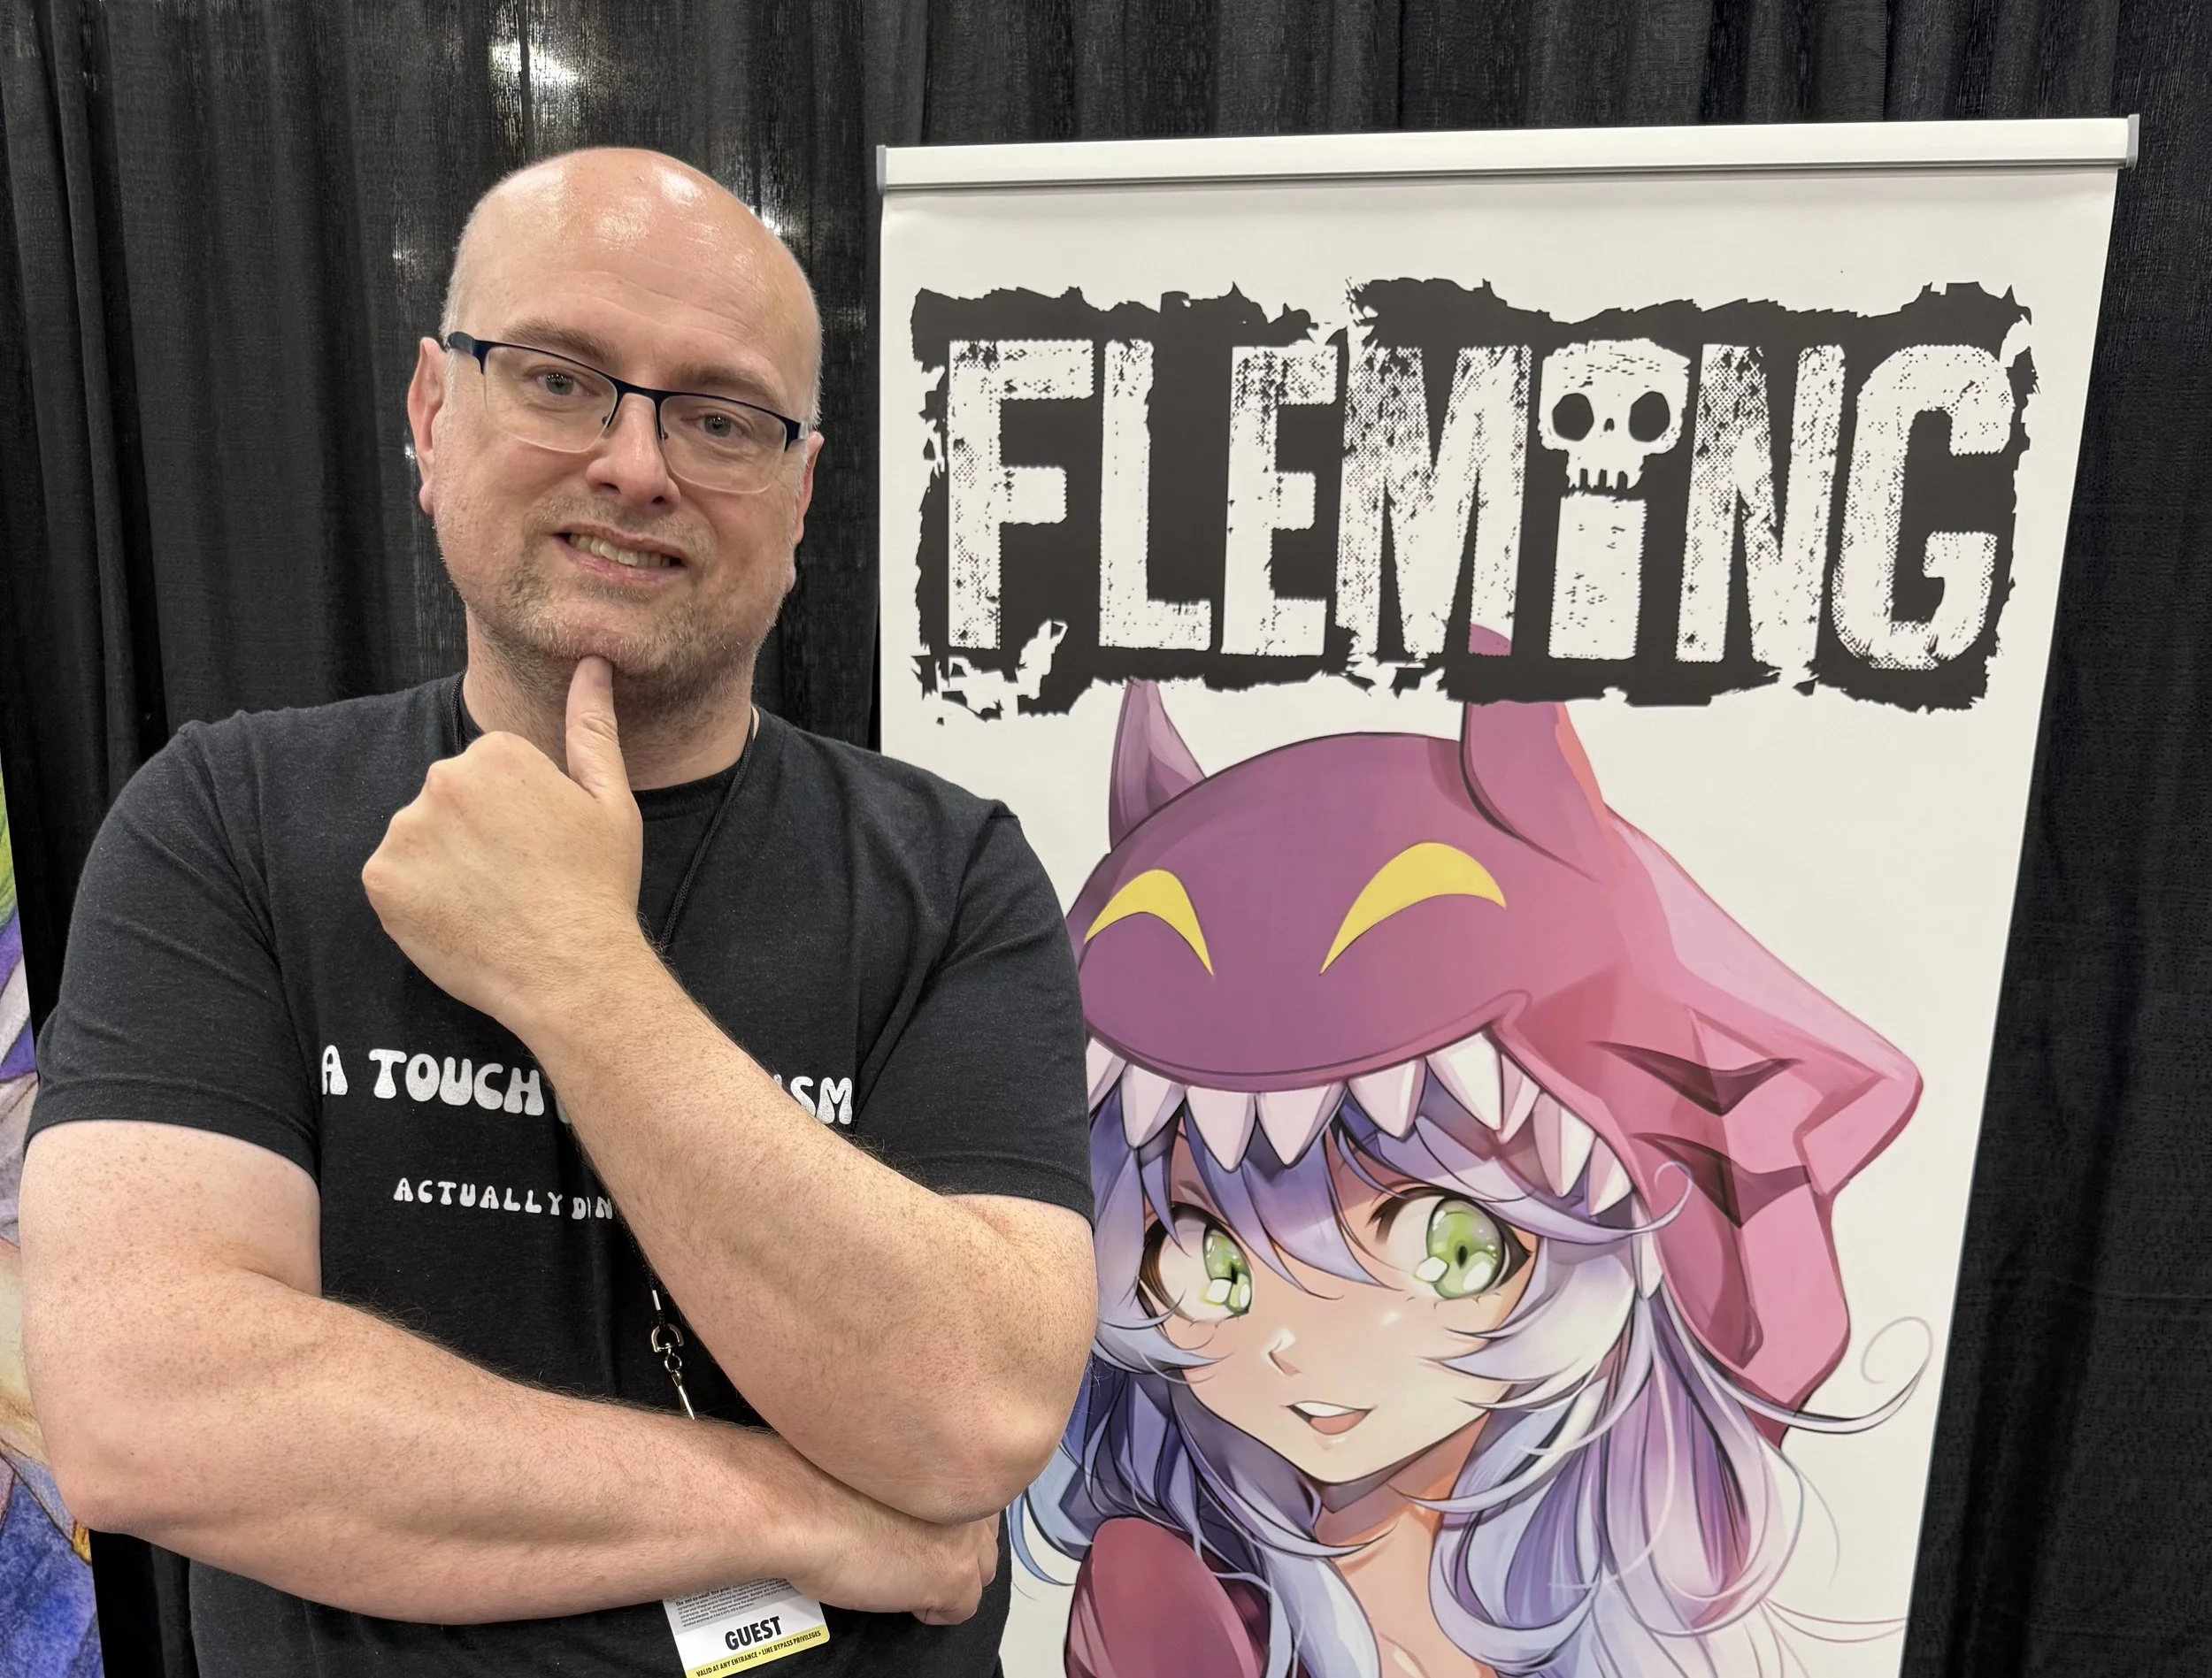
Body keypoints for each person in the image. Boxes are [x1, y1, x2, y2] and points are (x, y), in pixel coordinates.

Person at [15, 147, 1097, 1677]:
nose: (638, 464)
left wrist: (581, 972)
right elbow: (150, 1413)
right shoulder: (225, 824)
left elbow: (974, 1409)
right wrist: (808, 1513)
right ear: (431, 414)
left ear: (800, 495)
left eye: (721, 417)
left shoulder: (954, 878)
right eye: (561, 379)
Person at [1017, 679, 1922, 1678]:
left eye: (1445, 1248)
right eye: (1202, 1264)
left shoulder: (1611, 1574)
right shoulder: (1175, 1601)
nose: (1293, 1344)